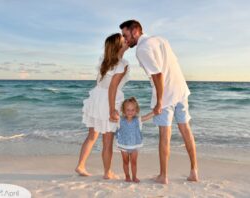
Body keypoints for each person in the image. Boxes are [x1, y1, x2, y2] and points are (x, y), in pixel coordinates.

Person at [119, 20, 199, 184]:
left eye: (125, 35)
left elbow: (157, 74)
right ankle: (194, 172)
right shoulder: (161, 40)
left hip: (166, 94)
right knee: (185, 129)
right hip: (180, 89)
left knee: (165, 135)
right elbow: (172, 65)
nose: (124, 39)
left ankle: (164, 176)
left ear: (135, 31)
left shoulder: (142, 49)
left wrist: (159, 101)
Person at [75, 33, 129, 179]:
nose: (127, 40)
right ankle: (107, 172)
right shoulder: (122, 64)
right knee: (107, 139)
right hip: (108, 100)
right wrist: (112, 109)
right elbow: (112, 87)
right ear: (119, 45)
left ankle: (80, 165)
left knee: (92, 135)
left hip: (97, 97)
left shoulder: (104, 61)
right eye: (124, 40)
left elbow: (99, 82)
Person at [116, 97, 154, 183]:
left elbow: (147, 116)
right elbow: (111, 118)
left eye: (132, 110)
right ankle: (127, 176)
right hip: (123, 145)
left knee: (134, 162)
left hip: (135, 145)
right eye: (128, 110)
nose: (130, 112)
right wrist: (113, 112)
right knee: (125, 162)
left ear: (136, 110)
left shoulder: (138, 120)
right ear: (123, 110)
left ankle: (134, 176)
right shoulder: (120, 120)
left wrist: (155, 112)